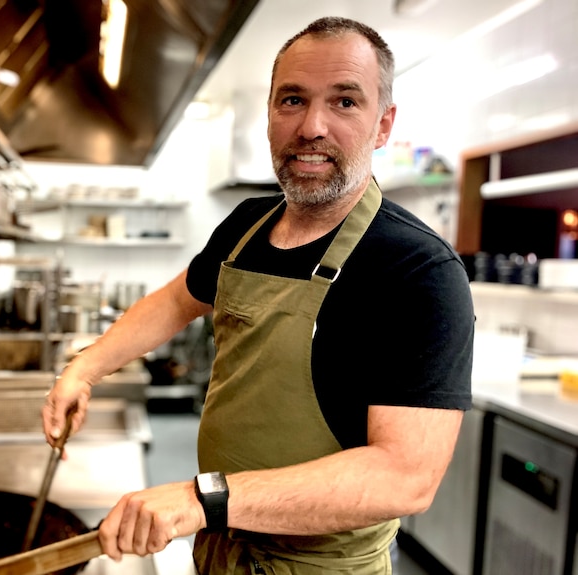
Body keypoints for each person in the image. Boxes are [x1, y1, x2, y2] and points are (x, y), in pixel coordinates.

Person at [42, 15, 474, 574]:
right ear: (270, 113)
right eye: (292, 100)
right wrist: (86, 367)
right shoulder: (246, 225)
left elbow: (405, 476)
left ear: (383, 123)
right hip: (220, 551)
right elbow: (176, 302)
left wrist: (204, 499)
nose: (312, 126)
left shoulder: (417, 270)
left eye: (344, 102)